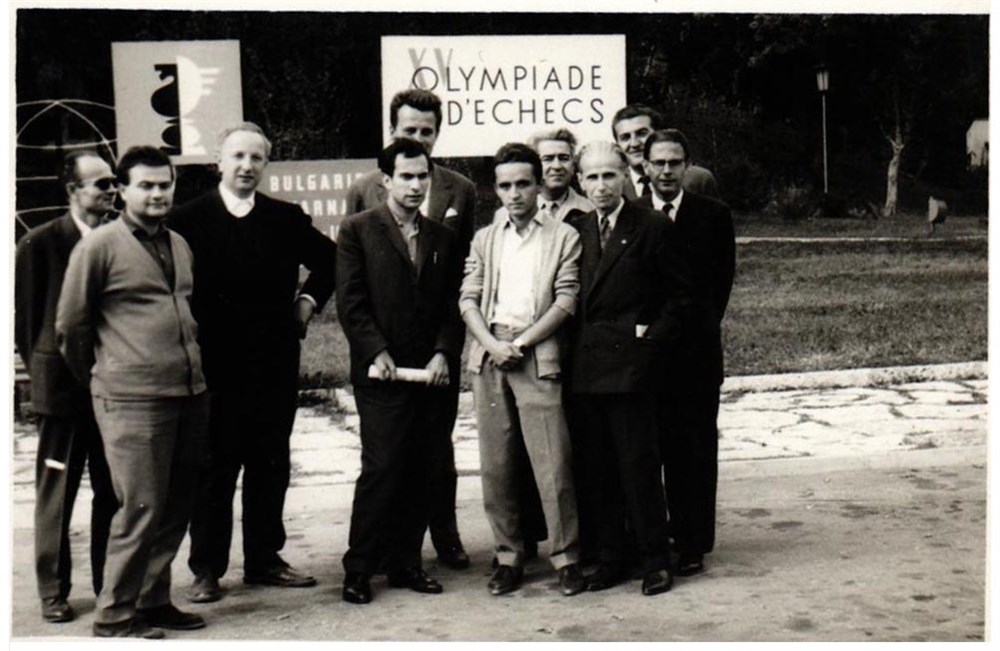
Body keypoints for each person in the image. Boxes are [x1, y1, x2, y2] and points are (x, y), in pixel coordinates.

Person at [170, 122, 337, 602]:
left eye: (256, 158)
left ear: (266, 164)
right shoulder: (187, 220)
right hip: (213, 366)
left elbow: (331, 260)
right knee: (214, 468)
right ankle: (206, 568)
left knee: (270, 462)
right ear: (218, 161)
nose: (246, 166)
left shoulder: (284, 218)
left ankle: (264, 559)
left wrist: (307, 301)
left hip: (273, 363)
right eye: (237, 156)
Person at [56, 146, 208, 639]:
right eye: (146, 185)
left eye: (165, 184)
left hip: (188, 391)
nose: (157, 193)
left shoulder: (179, 243)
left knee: (176, 505)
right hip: (132, 399)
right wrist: (105, 378)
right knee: (140, 508)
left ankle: (153, 600)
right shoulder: (99, 247)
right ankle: (115, 616)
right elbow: (71, 326)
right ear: (121, 190)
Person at [344, 88, 476, 570]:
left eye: (427, 131)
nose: (419, 138)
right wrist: (373, 348)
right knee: (385, 460)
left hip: (434, 352)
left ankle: (442, 538)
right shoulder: (363, 195)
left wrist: (446, 349)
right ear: (392, 132)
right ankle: (374, 555)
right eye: (409, 130)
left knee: (436, 455)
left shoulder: (460, 189)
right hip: (384, 354)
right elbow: (354, 285)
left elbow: (461, 275)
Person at [460, 143, 587, 597]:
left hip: (537, 352)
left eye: (522, 184)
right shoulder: (485, 238)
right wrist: (492, 344)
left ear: (538, 185)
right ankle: (509, 556)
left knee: (553, 461)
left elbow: (566, 300)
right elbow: (468, 298)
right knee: (497, 464)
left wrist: (522, 342)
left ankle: (566, 558)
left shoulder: (563, 235)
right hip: (490, 354)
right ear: (495, 189)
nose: (514, 194)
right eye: (505, 186)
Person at [566, 141, 689, 596]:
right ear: (580, 181)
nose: (601, 185)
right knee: (597, 469)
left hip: (632, 371)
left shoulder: (652, 225)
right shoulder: (574, 229)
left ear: (625, 177)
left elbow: (680, 298)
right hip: (586, 369)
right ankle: (611, 559)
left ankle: (655, 560)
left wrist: (649, 342)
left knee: (638, 466)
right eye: (592, 177)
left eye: (609, 175)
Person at [14, 151, 117, 624]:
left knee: (112, 492)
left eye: (113, 182)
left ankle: (108, 583)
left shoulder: (120, 238)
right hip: (62, 393)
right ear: (73, 190)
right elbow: (28, 322)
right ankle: (52, 590)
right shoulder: (40, 243)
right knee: (57, 490)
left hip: (113, 388)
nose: (111, 190)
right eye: (101, 184)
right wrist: (47, 375)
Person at [638, 128, 735, 577]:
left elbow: (718, 288)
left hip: (695, 355)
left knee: (693, 452)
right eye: (658, 162)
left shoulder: (712, 215)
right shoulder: (633, 213)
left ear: (687, 166)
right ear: (644, 166)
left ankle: (693, 542)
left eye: (674, 162)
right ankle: (652, 539)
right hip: (645, 354)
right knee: (647, 450)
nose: (666, 171)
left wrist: (687, 336)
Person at [610, 104, 719, 200]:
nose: (634, 144)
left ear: (658, 134)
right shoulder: (613, 183)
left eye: (642, 133)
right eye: (625, 137)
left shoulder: (698, 180)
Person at [494, 128, 594, 223]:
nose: (557, 166)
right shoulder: (505, 214)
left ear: (573, 166)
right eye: (548, 159)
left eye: (564, 158)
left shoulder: (590, 210)